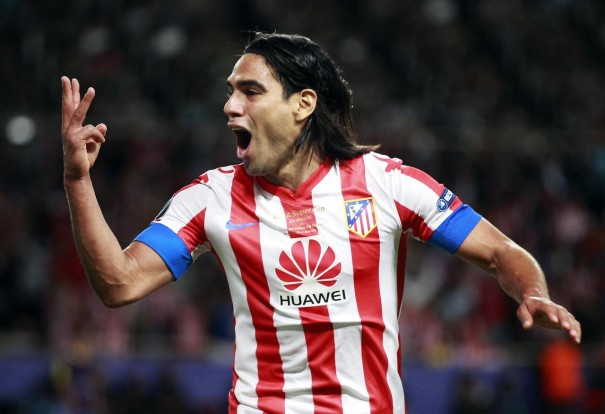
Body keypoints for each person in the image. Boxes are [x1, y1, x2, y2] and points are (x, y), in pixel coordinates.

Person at [60, 32, 582, 413]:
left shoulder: (388, 184)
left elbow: (502, 253)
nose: (229, 106)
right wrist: (78, 182)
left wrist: (532, 291)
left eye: (251, 92)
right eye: (230, 91)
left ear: (303, 104)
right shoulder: (210, 198)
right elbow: (119, 283)